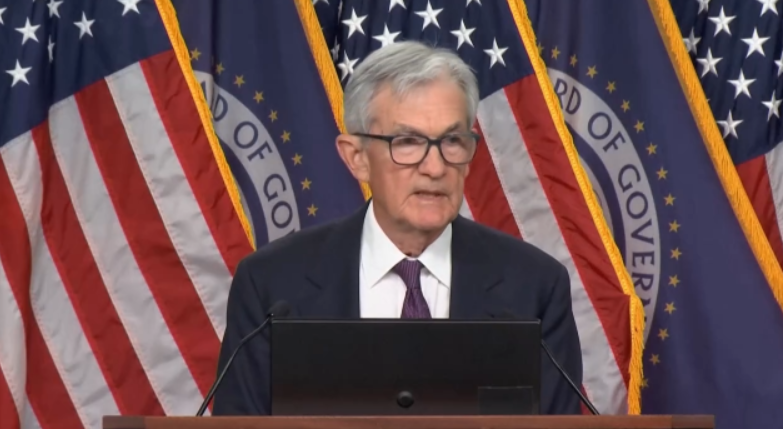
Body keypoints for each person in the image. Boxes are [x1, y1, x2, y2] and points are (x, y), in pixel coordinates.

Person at [212, 40, 583, 415]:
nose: (435, 168)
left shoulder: (534, 288)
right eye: (407, 142)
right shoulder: (272, 286)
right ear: (357, 158)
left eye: (452, 141)